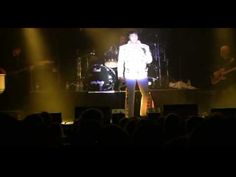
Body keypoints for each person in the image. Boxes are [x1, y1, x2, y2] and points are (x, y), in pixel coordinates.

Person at [117, 31, 153, 118]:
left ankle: (143, 114)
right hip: (130, 74)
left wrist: (145, 53)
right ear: (129, 37)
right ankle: (130, 116)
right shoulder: (123, 48)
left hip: (142, 73)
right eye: (132, 36)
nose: (134, 37)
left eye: (135, 36)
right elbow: (120, 61)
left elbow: (149, 60)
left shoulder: (144, 47)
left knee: (145, 94)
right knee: (130, 95)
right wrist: (120, 74)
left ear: (137, 37)